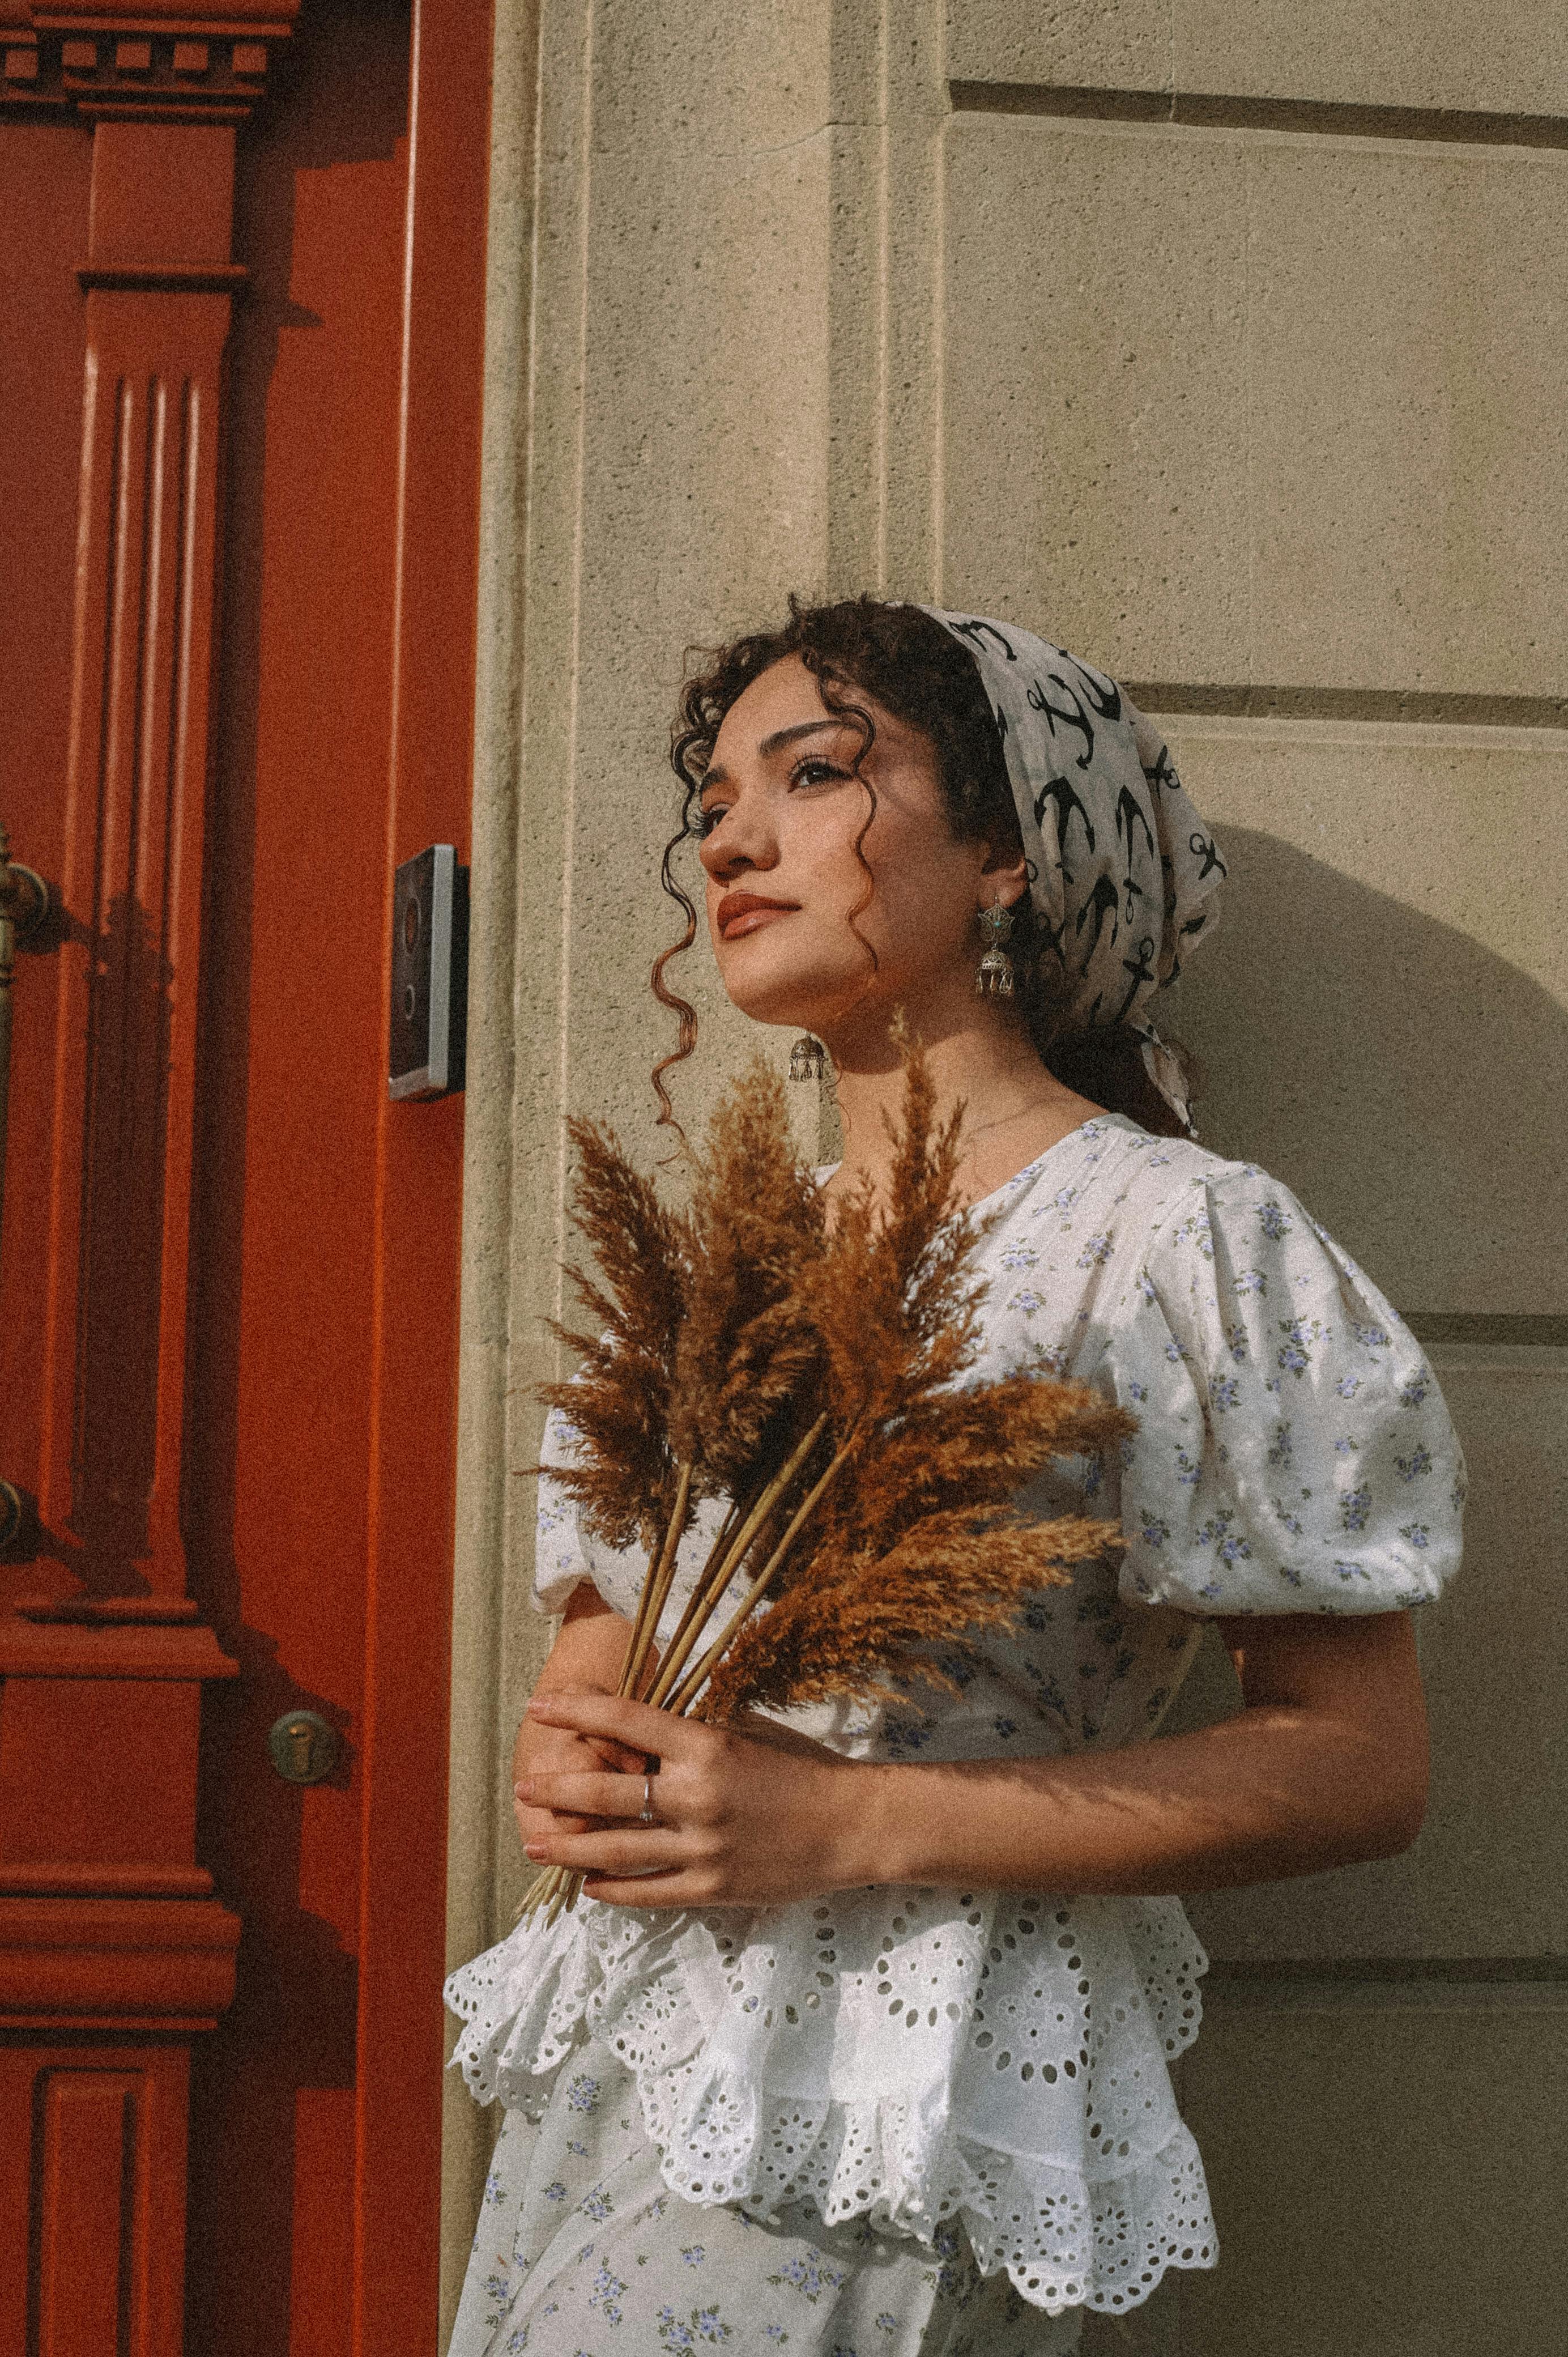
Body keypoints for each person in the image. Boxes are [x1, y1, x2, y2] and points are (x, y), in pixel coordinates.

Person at [445, 598, 1463, 2355]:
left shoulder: (1172, 1236)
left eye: (816, 774)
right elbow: (601, 1661)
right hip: (629, 2060)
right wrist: (577, 1757)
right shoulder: (729, 1260)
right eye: (712, 809)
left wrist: (847, 1823)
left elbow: (1361, 1765)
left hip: (902, 2081)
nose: (735, 840)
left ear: (1005, 850)